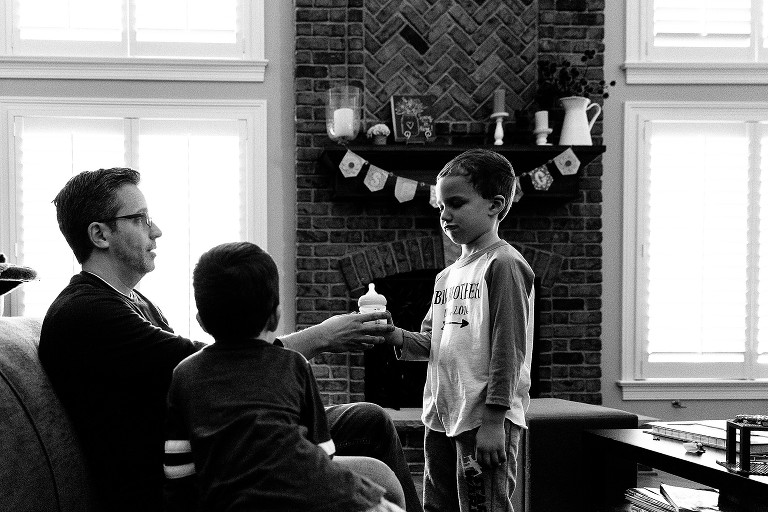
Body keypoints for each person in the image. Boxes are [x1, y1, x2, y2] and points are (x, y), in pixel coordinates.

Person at [38, 168, 421, 512]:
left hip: (217, 440)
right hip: (190, 470)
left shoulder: (131, 300)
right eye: (139, 219)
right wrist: (326, 335)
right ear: (99, 234)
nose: (156, 230)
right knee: (377, 475)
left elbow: (215, 364)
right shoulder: (86, 313)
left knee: (368, 420)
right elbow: (225, 365)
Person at [163, 241, 404, 511]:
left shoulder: (184, 372)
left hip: (224, 501)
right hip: (302, 493)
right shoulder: (293, 363)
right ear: (276, 318)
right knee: (388, 502)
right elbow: (324, 453)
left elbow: (178, 469)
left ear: (201, 321)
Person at [383, 149, 535, 511]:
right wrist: (393, 335)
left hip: (482, 418)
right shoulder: (446, 276)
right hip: (441, 415)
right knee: (438, 504)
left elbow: (508, 349)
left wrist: (495, 420)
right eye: (440, 206)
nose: (445, 215)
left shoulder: (503, 264)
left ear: (495, 205)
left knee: (482, 506)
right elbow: (432, 343)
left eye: (456, 203)